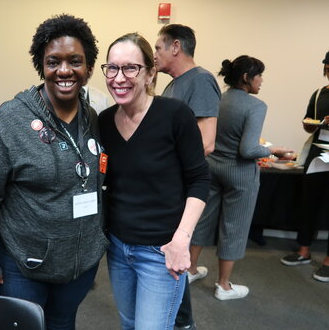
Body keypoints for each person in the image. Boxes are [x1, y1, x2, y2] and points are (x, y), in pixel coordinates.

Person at [0, 14, 108, 330]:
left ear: (89, 68)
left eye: (75, 61)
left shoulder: (93, 119)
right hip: (22, 266)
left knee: (62, 322)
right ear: (41, 66)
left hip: (79, 265)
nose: (65, 71)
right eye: (54, 61)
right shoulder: (8, 122)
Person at [98, 32, 210, 330]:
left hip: (161, 251)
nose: (118, 78)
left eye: (130, 68)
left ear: (149, 73)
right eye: (112, 68)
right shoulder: (104, 122)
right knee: (129, 323)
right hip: (119, 248)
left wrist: (182, 239)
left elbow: (200, 179)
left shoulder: (175, 115)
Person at [189, 55, 294, 300]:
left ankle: (190, 269)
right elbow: (248, 150)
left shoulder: (218, 99)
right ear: (247, 78)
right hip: (240, 174)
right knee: (234, 227)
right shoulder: (256, 106)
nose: (262, 81)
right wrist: (274, 150)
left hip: (212, 167)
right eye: (259, 75)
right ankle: (224, 286)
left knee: (202, 219)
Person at [153, 23, 220, 330]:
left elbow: (206, 142)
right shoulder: (171, 85)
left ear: (176, 47)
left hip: (180, 187)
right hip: (164, 185)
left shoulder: (201, 81)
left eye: (158, 48)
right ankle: (178, 319)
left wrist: (164, 167)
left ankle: (183, 323)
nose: (154, 54)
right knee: (167, 258)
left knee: (172, 258)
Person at [280, 51, 329, 282]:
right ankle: (303, 250)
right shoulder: (319, 94)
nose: (328, 71)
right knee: (308, 203)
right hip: (318, 153)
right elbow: (309, 125)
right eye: (327, 68)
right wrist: (315, 123)